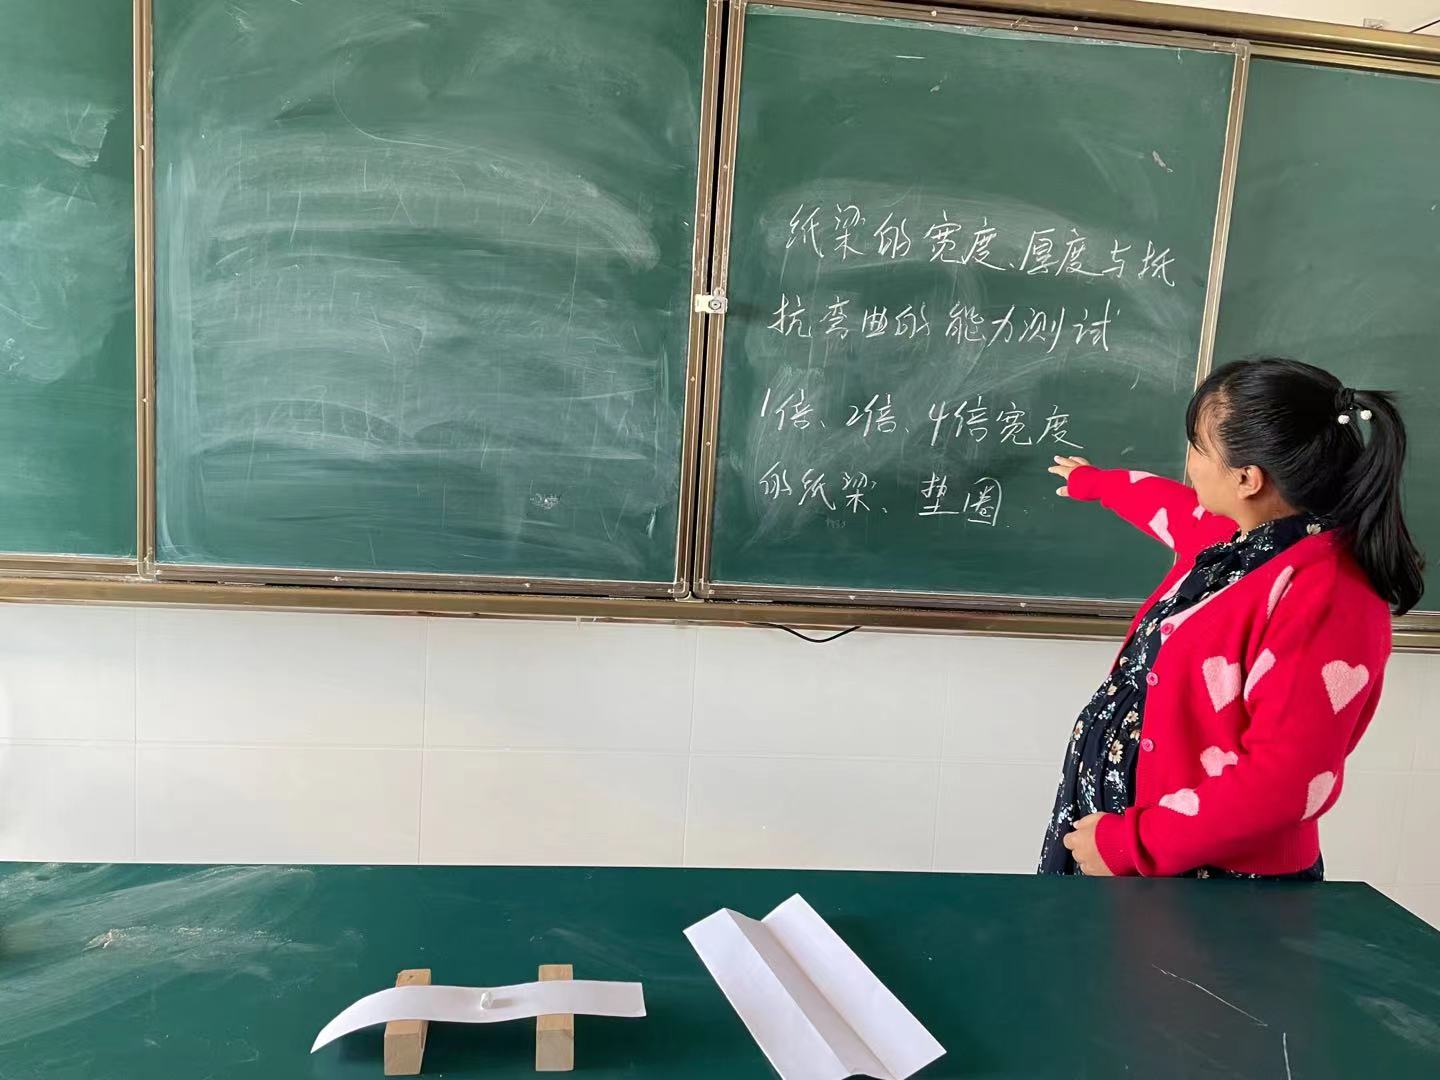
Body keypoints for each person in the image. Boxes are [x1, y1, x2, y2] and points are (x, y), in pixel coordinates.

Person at [1038, 357, 1424, 879]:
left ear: (1246, 479)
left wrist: (1132, 843)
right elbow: (1166, 505)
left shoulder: (1328, 595)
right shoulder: (1235, 540)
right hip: (1126, 839)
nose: (1189, 461)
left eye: (1198, 446)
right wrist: (1096, 483)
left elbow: (1285, 781)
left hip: (1209, 877)